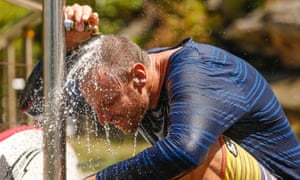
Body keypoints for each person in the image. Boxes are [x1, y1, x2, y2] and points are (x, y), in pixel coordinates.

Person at [21, 4, 300, 180]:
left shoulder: (199, 71)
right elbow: (36, 105)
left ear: (139, 78)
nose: (103, 118)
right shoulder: (117, 77)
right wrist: (63, 46)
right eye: (98, 108)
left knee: (199, 154)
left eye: (108, 104)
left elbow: (185, 152)